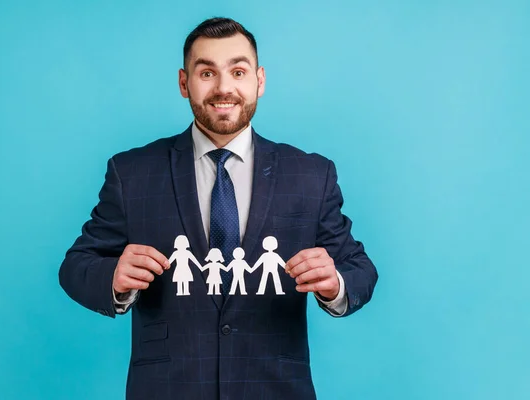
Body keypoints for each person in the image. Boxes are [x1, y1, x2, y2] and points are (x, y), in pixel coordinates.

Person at [59, 17, 378, 400]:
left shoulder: (311, 175)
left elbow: (360, 271)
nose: (224, 88)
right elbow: (75, 265)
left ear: (259, 80)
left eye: (238, 71)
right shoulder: (132, 173)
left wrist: (335, 285)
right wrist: (112, 277)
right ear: (184, 82)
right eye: (206, 72)